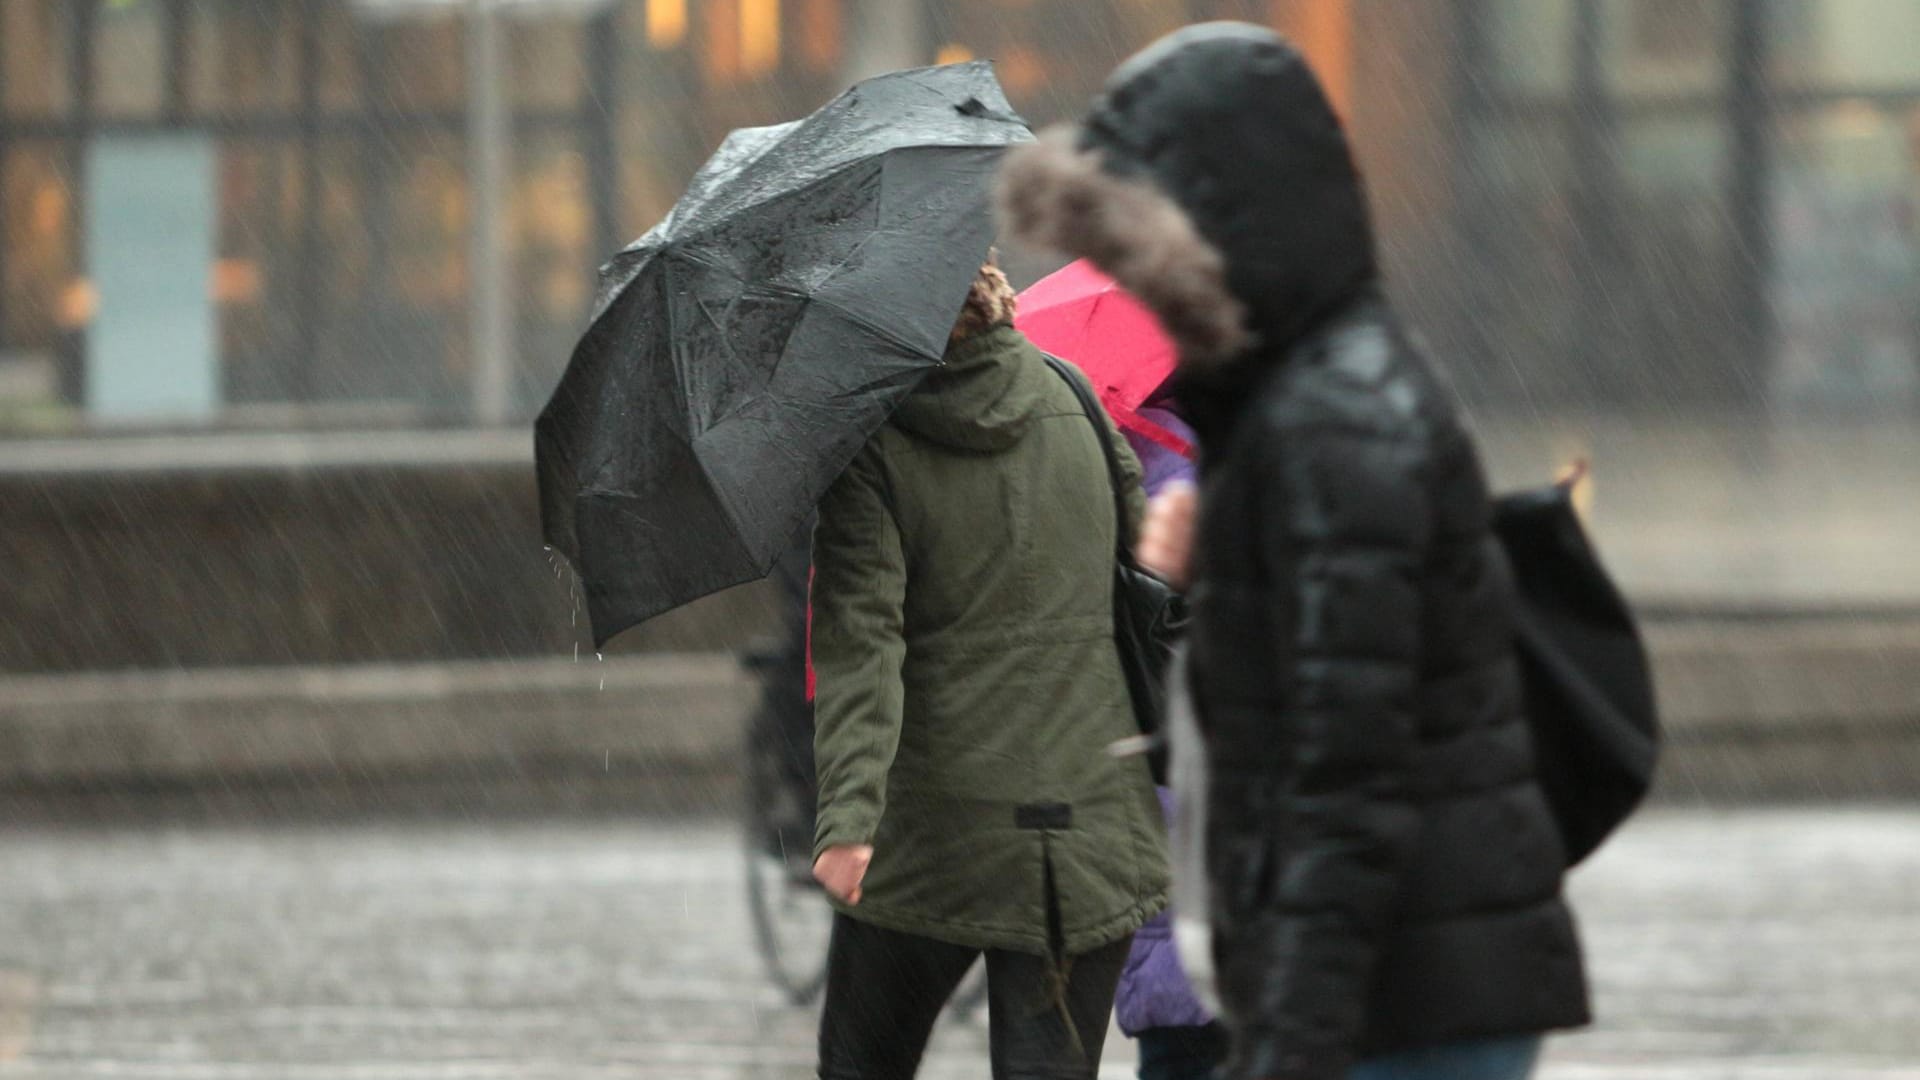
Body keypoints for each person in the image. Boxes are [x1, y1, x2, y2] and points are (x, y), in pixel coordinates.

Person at [999, 23, 1590, 1080]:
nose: (1136, 277)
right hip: (1379, 979)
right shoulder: (1287, 410)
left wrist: (1292, 1043)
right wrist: (1199, 593)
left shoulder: (1332, 421)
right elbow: (1267, 741)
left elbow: (1344, 781)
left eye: (1146, 240)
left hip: (1398, 999)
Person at [809, 260, 1170, 1079]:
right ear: (997, 299)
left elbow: (864, 641)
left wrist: (850, 820)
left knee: (863, 1062)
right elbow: (1149, 574)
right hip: (1088, 828)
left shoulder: (871, 443)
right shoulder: (1075, 398)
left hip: (937, 833)